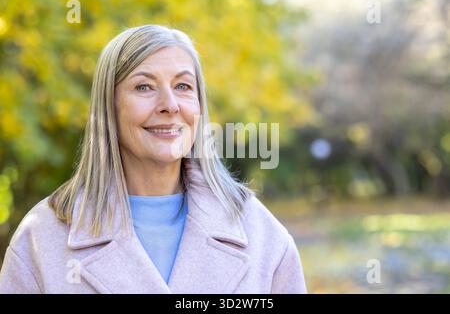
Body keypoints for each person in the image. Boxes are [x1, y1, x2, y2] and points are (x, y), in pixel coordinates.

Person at [0, 24, 307, 294]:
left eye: (183, 86)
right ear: (109, 107)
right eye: (144, 86)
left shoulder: (261, 234)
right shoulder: (43, 238)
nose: (170, 105)